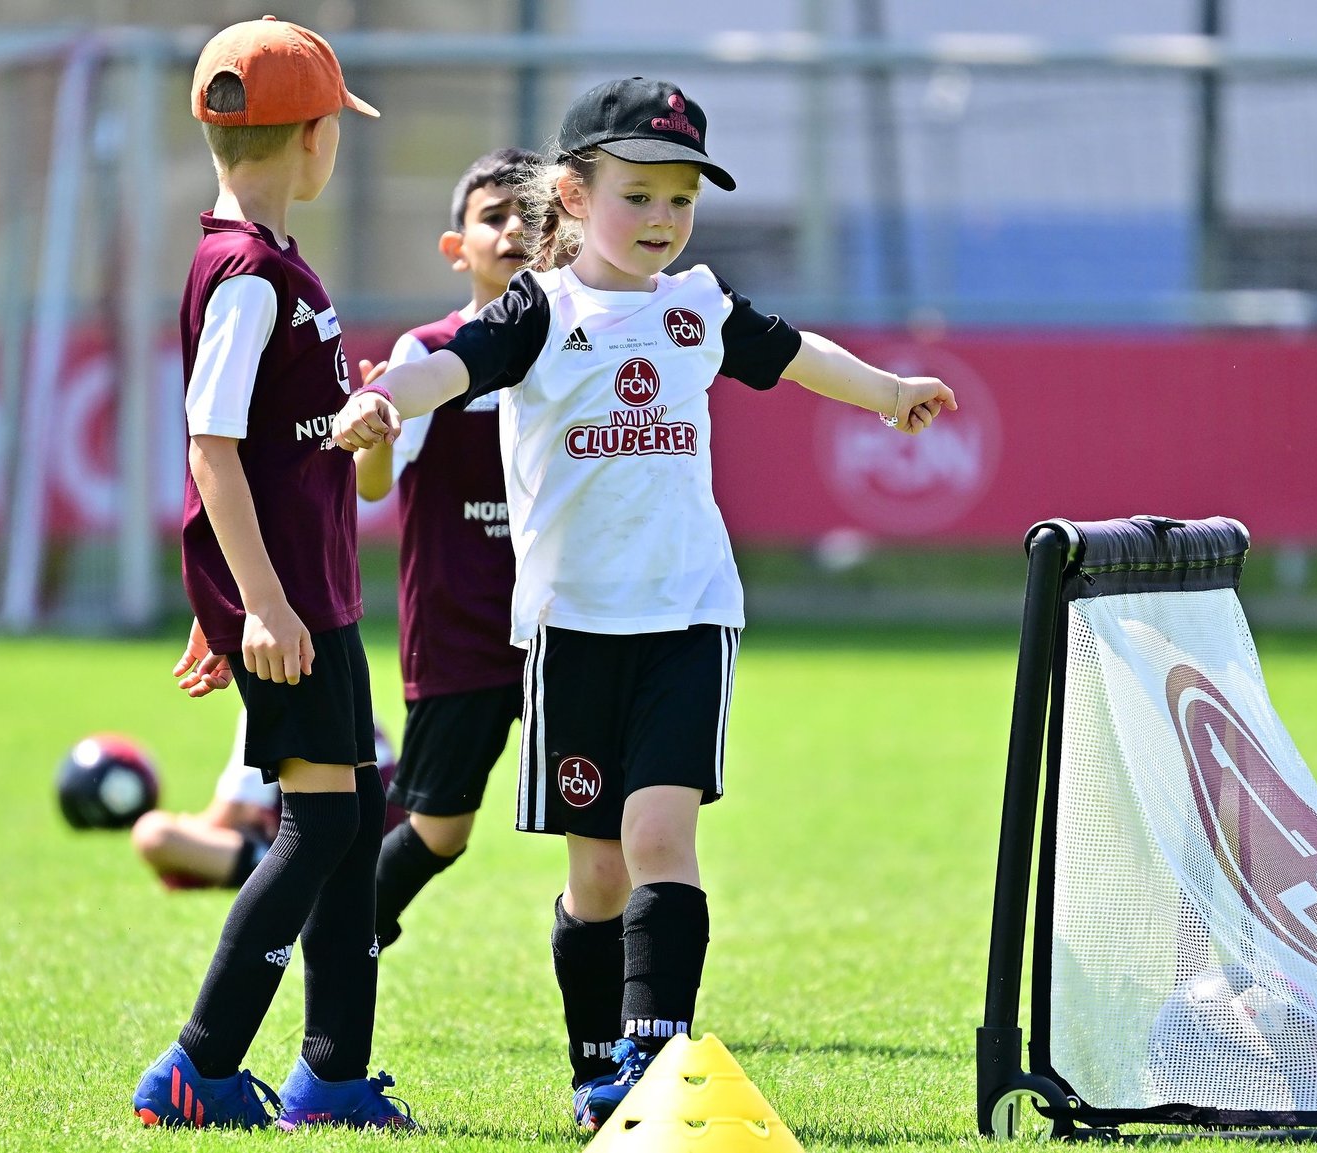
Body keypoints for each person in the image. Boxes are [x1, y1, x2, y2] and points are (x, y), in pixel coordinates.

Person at [331, 77, 955, 1131]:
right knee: (598, 872)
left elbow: (798, 357)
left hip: (685, 617)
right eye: (639, 196)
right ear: (572, 198)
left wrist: (888, 392)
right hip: (569, 629)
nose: (663, 220)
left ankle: (655, 1065)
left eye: (680, 198)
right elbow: (451, 365)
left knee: (662, 836)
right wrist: (384, 400)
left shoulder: (697, 305)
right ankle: (593, 1071)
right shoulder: (538, 310)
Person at [133, 17, 412, 1130]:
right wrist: (249, 598)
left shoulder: (267, 263)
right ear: (314, 139)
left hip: (308, 593)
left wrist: (343, 423)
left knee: (355, 809)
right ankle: (195, 1068)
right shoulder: (249, 272)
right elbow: (210, 446)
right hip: (288, 599)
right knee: (315, 823)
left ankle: (332, 1075)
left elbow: (260, 439)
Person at [351, 148, 561, 950]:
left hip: (569, 624)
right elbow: (374, 486)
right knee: (440, 828)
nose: (514, 230)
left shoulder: (582, 345)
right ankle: (346, 930)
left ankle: (626, 1020)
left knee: (610, 827)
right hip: (460, 633)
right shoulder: (429, 354)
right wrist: (373, 431)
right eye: (494, 216)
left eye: (532, 217)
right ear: (457, 247)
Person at [131, 713, 406, 891]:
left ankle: (277, 870)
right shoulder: (345, 676)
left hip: (324, 849)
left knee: (154, 832)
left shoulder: (273, 694)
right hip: (381, 849)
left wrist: (185, 825)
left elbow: (226, 816)